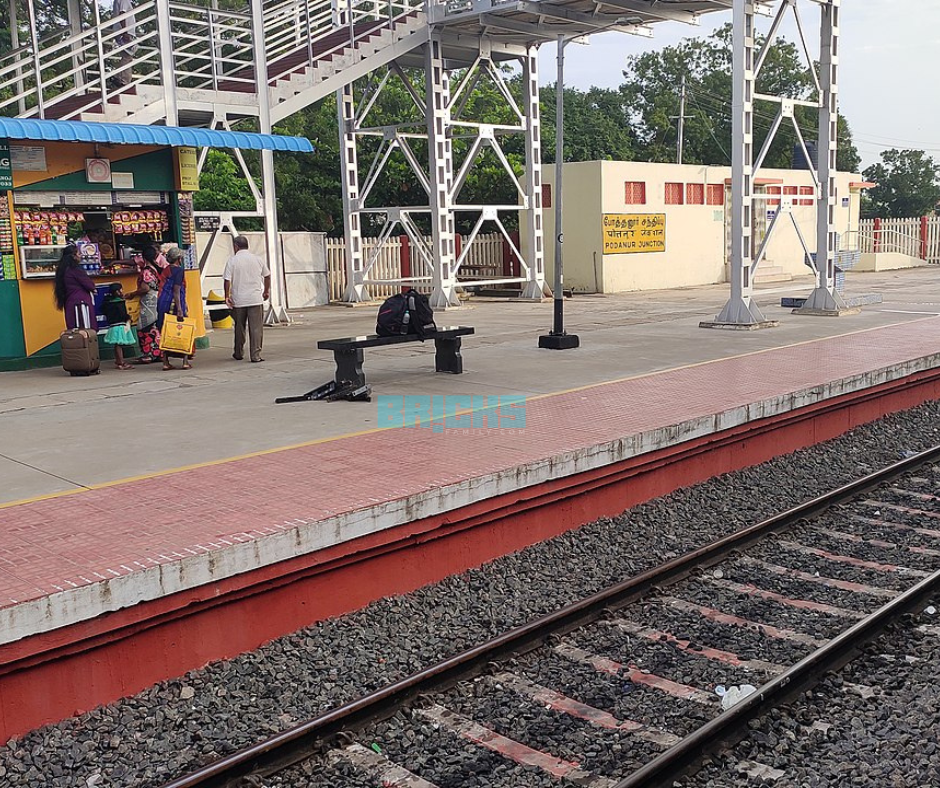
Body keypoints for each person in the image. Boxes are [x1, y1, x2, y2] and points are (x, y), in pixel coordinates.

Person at [223, 235, 270, 363]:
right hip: (255, 299)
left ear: (236, 246)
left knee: (239, 327)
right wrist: (266, 291)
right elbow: (267, 275)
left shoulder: (232, 261)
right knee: (256, 329)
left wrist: (226, 296)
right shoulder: (257, 259)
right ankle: (256, 355)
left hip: (239, 300)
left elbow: (227, 280)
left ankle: (238, 353)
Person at [124, 246, 163, 364]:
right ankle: (157, 352)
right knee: (154, 326)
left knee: (144, 326)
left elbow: (145, 288)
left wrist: (132, 294)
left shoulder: (146, 271)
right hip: (155, 300)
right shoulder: (154, 269)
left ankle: (148, 353)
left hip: (148, 302)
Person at [157, 246, 193, 371]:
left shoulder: (166, 269)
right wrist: (179, 309)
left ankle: (166, 362)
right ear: (179, 258)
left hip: (163, 302)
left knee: (166, 331)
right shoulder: (179, 270)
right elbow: (176, 290)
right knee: (182, 330)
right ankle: (185, 361)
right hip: (174, 302)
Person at [53, 245, 97, 330]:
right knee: (84, 329)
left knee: (74, 330)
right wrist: (93, 289)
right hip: (80, 303)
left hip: (70, 302)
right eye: (79, 253)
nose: (81, 255)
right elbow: (89, 284)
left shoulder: (62, 269)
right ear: (73, 256)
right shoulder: (75, 269)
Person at [101, 283, 136, 370]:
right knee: (119, 344)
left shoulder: (107, 302)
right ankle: (121, 362)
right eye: (121, 290)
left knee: (117, 344)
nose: (122, 291)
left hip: (112, 325)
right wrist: (129, 319)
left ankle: (118, 360)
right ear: (117, 291)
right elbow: (123, 314)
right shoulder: (120, 302)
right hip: (120, 325)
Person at [111, 0, 138, 88]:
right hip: (125, 33)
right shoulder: (124, 0)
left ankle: (121, 78)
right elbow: (122, 13)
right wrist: (125, 31)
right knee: (128, 57)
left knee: (126, 56)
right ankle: (123, 79)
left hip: (122, 32)